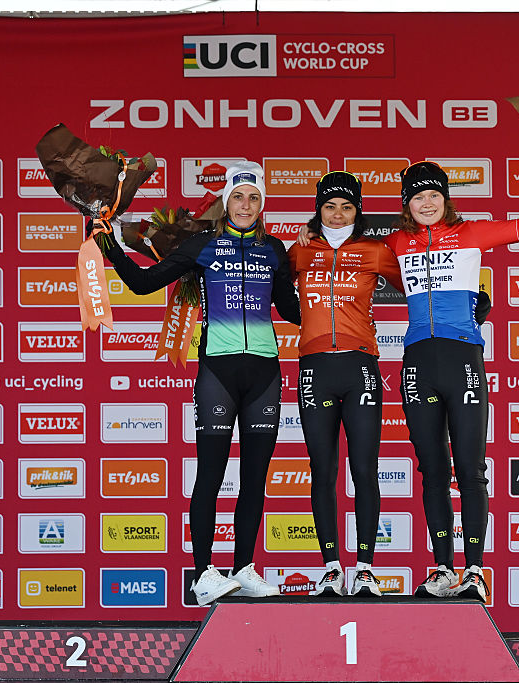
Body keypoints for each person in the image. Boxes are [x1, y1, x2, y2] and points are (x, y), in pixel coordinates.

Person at [104, 161, 301, 606]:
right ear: (224, 202)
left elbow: (290, 310)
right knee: (210, 476)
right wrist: (111, 247)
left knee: (255, 479)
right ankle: (202, 575)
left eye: (253, 197)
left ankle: (244, 567)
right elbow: (142, 283)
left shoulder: (274, 249)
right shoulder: (203, 245)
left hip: (266, 373)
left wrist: (335, 303)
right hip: (218, 372)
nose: (245, 205)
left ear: (262, 203)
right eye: (237, 196)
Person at [383, 161, 519, 601]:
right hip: (418, 361)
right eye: (418, 197)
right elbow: (347, 254)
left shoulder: (472, 233)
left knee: (470, 471)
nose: (427, 204)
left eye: (433, 196)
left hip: (462, 359)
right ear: (407, 204)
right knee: (432, 471)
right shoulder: (397, 241)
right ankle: (440, 568)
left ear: (446, 199)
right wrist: (308, 235)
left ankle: (474, 571)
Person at [288, 172, 405, 597]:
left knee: (364, 469)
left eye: (347, 207)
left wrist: (468, 303)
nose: (338, 214)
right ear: (318, 210)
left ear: (358, 211)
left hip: (360, 367)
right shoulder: (300, 251)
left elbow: (419, 285)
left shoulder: (375, 251)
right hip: (315, 367)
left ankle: (367, 567)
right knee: (323, 470)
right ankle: (333, 566)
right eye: (330, 206)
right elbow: (273, 287)